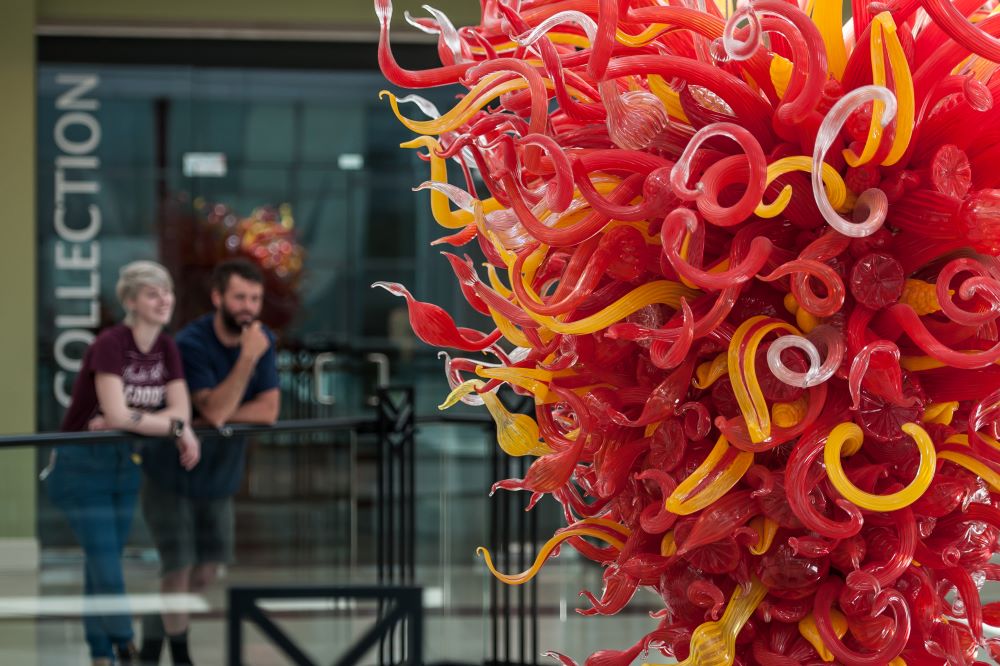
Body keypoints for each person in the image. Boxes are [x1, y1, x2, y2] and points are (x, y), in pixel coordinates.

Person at [46, 261, 200, 666]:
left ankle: (100, 655)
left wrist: (166, 423)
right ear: (130, 301)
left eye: (167, 291)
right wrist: (172, 426)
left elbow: (181, 409)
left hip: (126, 462)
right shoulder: (110, 344)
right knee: (105, 559)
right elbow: (116, 416)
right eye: (153, 293)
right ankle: (125, 647)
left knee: (103, 561)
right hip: (80, 463)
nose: (164, 300)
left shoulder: (167, 347)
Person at [139, 259, 279, 666]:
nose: (247, 307)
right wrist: (246, 366)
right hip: (172, 474)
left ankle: (152, 636)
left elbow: (268, 411)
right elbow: (215, 411)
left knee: (206, 572)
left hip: (220, 479)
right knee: (178, 568)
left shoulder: (260, 339)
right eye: (239, 297)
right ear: (218, 297)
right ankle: (179, 656)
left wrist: (216, 412)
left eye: (254, 298)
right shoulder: (191, 343)